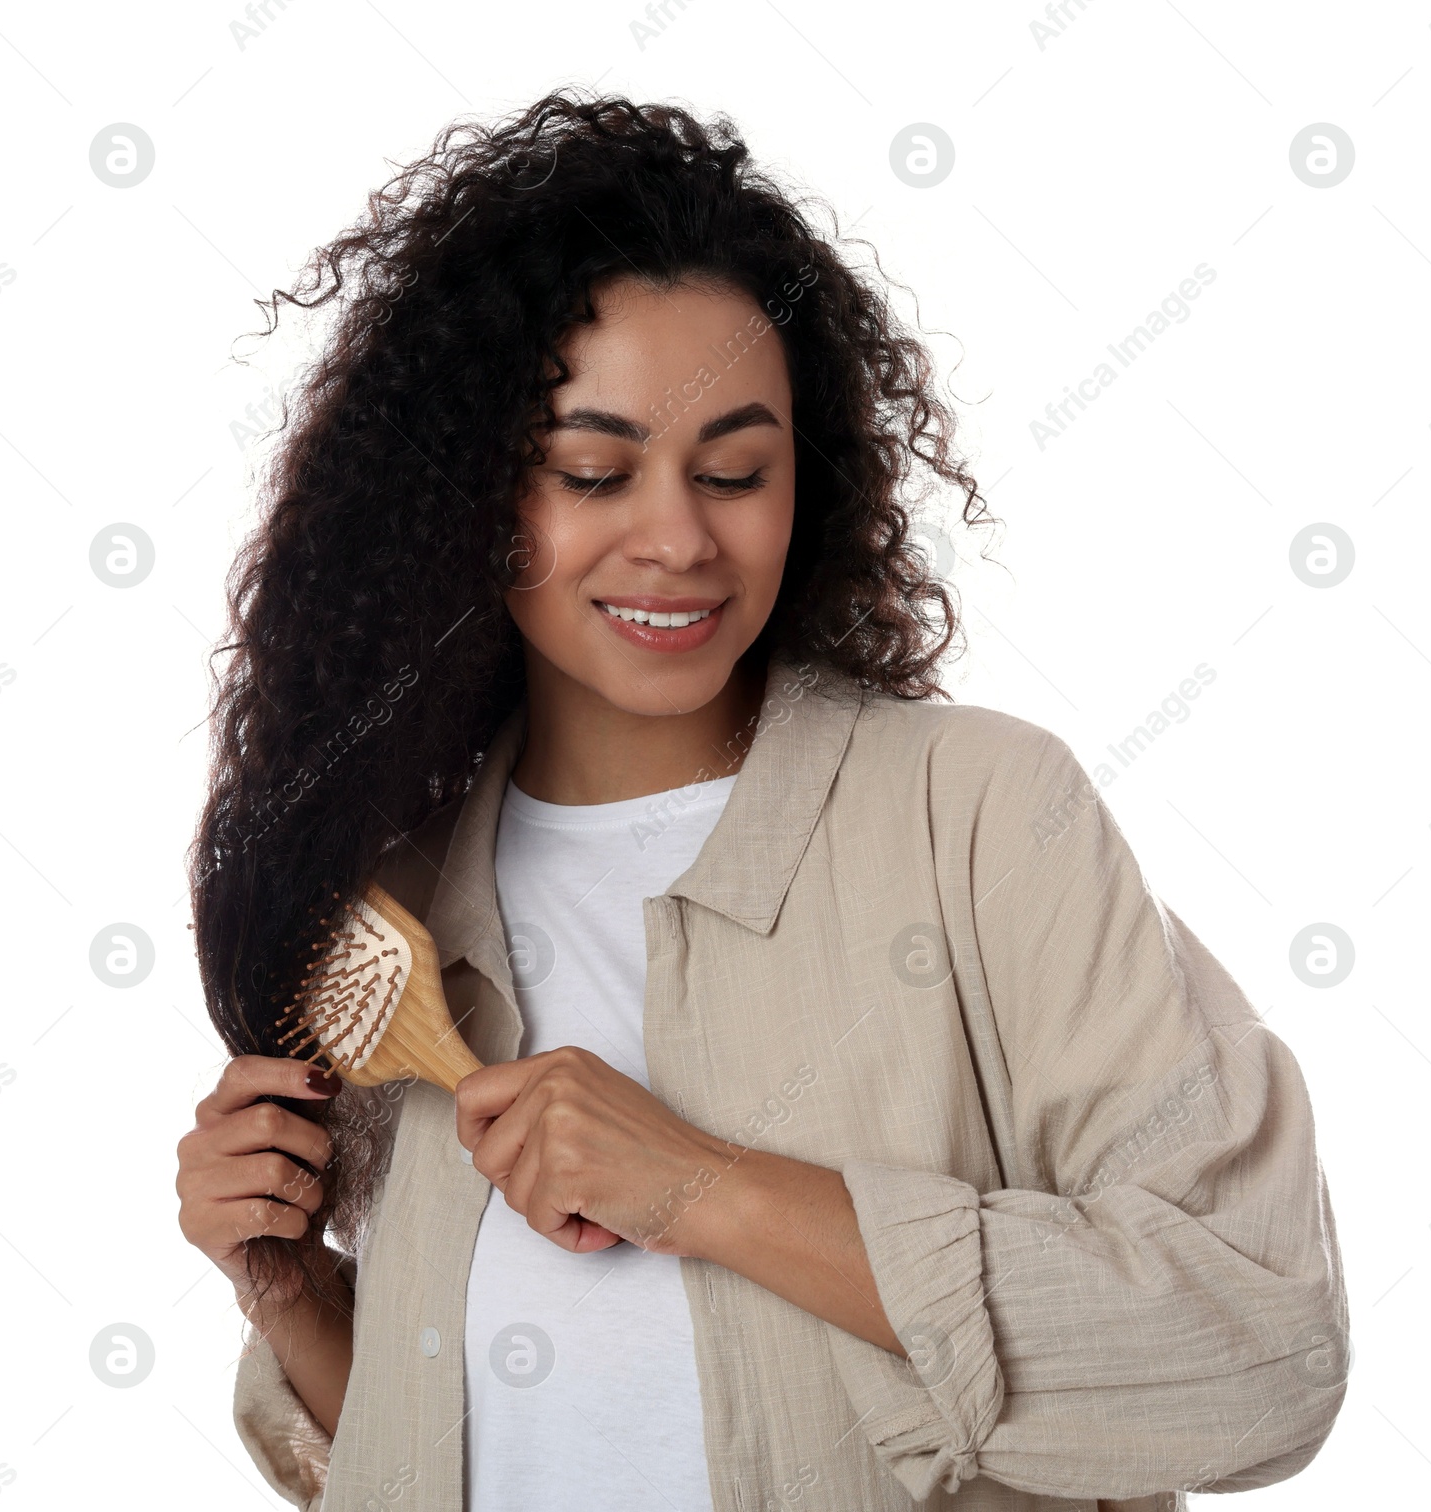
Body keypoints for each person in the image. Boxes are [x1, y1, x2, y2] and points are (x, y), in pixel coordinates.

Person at [175, 92, 1348, 1512]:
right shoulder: (405, 907)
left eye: (735, 471)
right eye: (593, 472)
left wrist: (707, 1189)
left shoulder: (979, 818)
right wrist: (294, 1296)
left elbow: (1260, 1353)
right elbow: (485, 1455)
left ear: (814, 481)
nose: (676, 538)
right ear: (464, 499)